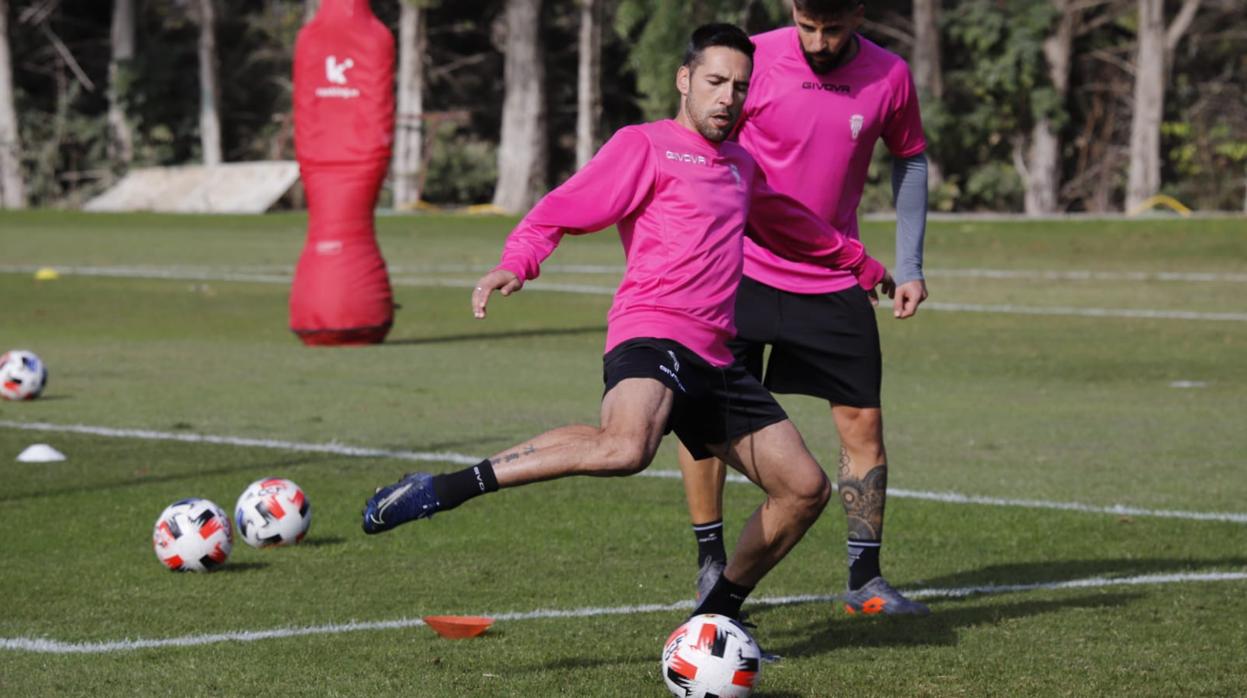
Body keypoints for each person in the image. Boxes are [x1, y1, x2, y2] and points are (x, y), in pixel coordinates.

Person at [361, 23, 893, 622]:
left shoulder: (742, 166)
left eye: (740, 88)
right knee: (625, 447)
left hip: (716, 359)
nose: (728, 99)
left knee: (803, 490)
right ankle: (440, 489)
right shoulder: (645, 145)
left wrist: (862, 264)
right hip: (653, 332)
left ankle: (712, 620)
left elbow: (791, 224)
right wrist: (517, 263)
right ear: (684, 79)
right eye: (716, 82)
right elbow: (558, 210)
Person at [678, 0, 932, 616]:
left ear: (861, 15)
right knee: (703, 419)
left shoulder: (890, 75)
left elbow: (911, 157)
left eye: (834, 28)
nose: (818, 41)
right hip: (738, 269)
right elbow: (696, 146)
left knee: (862, 424)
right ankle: (712, 560)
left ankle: (864, 580)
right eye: (807, 25)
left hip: (832, 272)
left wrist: (911, 264)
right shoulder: (752, 60)